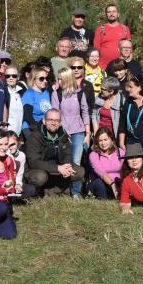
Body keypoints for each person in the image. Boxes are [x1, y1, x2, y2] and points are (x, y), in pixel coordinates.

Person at [24, 109, 86, 196]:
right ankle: (36, 192)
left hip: (56, 169)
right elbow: (33, 162)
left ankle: (51, 190)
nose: (53, 123)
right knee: (40, 177)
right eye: (50, 120)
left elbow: (67, 154)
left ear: (60, 122)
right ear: (44, 121)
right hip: (37, 169)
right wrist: (57, 168)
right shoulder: (34, 136)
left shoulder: (63, 135)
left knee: (79, 171)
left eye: (56, 120)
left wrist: (67, 166)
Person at [52, 67, 91, 197]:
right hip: (63, 133)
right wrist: (63, 132)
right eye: (58, 78)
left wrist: (87, 133)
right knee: (65, 162)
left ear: (68, 79)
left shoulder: (80, 94)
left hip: (78, 132)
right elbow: (55, 114)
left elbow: (85, 112)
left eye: (61, 78)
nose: (59, 81)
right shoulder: (56, 94)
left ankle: (76, 192)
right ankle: (63, 188)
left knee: (76, 161)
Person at [87, 127, 124, 199]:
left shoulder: (119, 152)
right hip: (102, 182)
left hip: (118, 181)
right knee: (99, 184)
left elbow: (125, 168)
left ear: (111, 139)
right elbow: (101, 172)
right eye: (100, 140)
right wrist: (112, 184)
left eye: (105, 140)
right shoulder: (94, 154)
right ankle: (103, 199)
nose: (103, 143)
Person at [95, 4, 131, 68]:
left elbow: (130, 50)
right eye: (109, 12)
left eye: (114, 11)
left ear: (118, 14)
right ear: (106, 14)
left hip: (121, 68)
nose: (111, 14)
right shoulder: (100, 29)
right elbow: (96, 49)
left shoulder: (125, 29)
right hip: (104, 67)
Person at [3, 65, 24, 137]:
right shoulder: (2, 92)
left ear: (18, 77)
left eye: (14, 76)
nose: (11, 78)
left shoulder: (22, 92)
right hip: (7, 134)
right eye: (8, 76)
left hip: (18, 135)